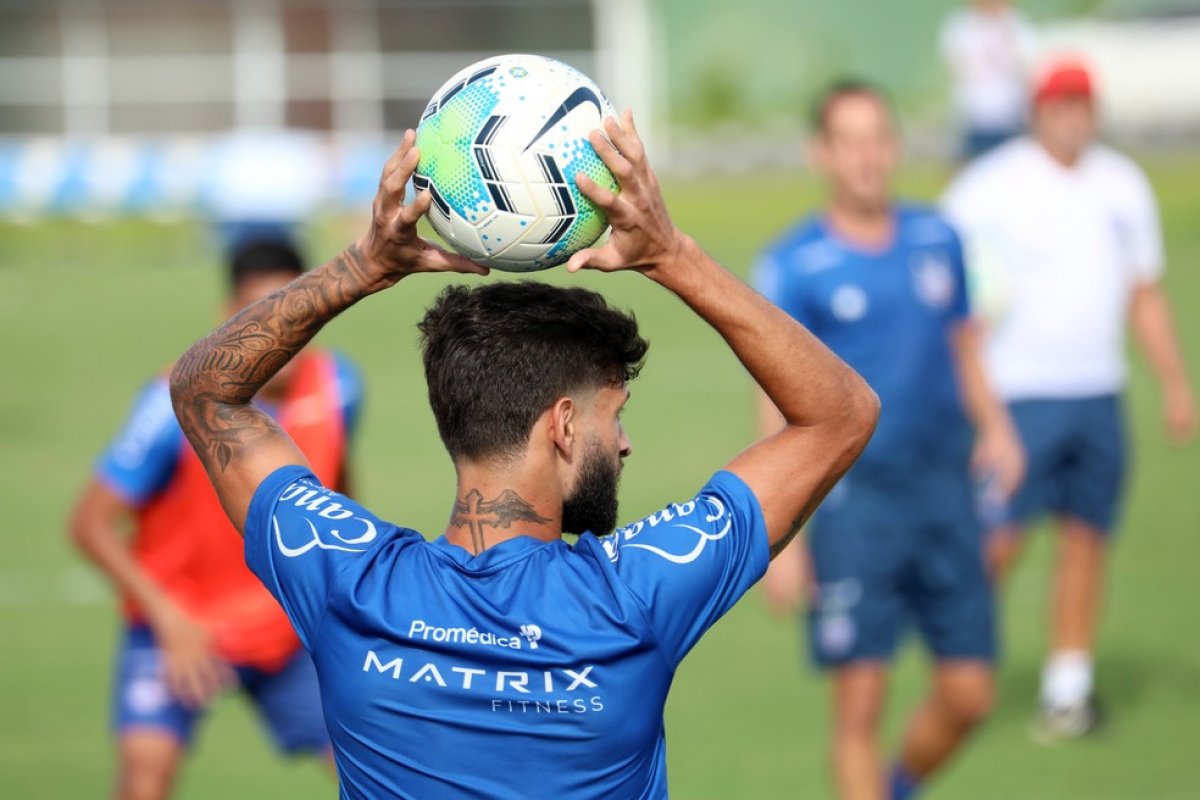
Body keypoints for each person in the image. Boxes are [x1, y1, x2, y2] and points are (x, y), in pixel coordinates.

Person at [165, 118, 880, 798]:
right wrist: (673, 257)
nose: (625, 442)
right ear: (563, 426)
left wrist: (365, 264)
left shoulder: (348, 582)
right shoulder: (635, 594)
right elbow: (841, 414)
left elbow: (204, 391)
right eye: (615, 417)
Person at [756, 81, 1024, 800]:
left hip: (946, 493)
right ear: (823, 153)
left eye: (878, 137)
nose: (868, 156)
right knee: (860, 709)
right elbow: (776, 401)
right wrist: (782, 533)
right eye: (850, 141)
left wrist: (998, 427)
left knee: (970, 695)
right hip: (854, 506)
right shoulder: (795, 264)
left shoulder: (941, 236)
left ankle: (897, 788)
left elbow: (962, 341)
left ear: (896, 144)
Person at [942, 57, 1196, 740]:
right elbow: (947, 279)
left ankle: (1068, 688)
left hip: (1098, 390)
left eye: (1081, 105)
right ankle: (962, 668)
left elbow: (1143, 292)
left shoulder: (1122, 185)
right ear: (1035, 111)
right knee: (998, 540)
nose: (1071, 116)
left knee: (1087, 537)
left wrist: (1174, 382)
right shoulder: (989, 188)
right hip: (1018, 397)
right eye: (1059, 105)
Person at [69, 239, 361, 799]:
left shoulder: (339, 387)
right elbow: (90, 523)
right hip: (178, 623)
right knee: (143, 785)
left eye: (296, 315)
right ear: (228, 317)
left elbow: (337, 492)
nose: (285, 339)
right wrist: (170, 619)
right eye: (261, 313)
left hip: (284, 626)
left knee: (377, 770)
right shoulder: (170, 402)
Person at [939, 0, 1037, 161]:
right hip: (973, 120)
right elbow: (956, 68)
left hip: (1010, 119)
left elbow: (1028, 66)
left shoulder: (1017, 26)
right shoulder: (959, 27)